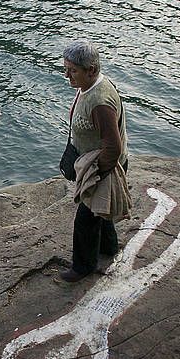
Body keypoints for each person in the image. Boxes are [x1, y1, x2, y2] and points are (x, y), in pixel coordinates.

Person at [60, 40, 129, 282]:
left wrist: (95, 175)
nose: (67, 75)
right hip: (101, 162)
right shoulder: (92, 85)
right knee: (101, 211)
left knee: (85, 221)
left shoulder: (99, 102)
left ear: (91, 70)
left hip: (104, 166)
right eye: (66, 68)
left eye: (72, 70)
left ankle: (83, 267)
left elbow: (112, 146)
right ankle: (108, 248)